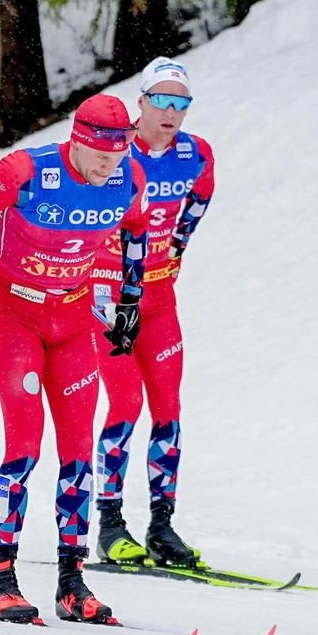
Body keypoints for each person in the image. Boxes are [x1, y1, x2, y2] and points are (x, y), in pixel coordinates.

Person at [0, 93, 150, 625]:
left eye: (119, 155)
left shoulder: (126, 176)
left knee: (77, 454)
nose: (108, 167)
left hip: (72, 323)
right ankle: (1, 579)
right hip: (16, 315)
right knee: (23, 447)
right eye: (101, 156)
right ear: (79, 140)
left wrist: (131, 300)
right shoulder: (27, 168)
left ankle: (72, 581)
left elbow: (137, 230)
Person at [91, 58, 216, 567]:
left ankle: (162, 526)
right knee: (125, 404)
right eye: (160, 100)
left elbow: (201, 198)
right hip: (106, 298)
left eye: (180, 102)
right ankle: (109, 523)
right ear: (140, 102)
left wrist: (178, 247)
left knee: (168, 408)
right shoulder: (117, 154)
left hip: (160, 298)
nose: (170, 111)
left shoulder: (194, 153)